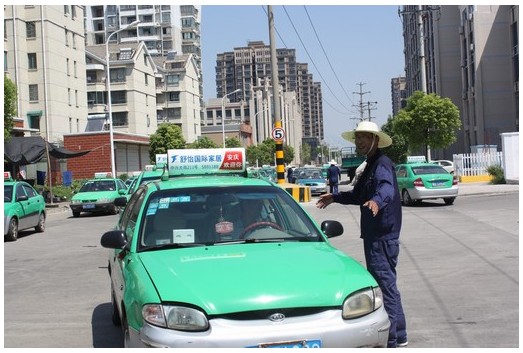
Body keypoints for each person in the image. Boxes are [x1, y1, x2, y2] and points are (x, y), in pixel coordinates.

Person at [316, 121, 407, 348]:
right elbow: (358, 195)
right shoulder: (369, 165)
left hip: (382, 237)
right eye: (357, 138)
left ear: (375, 140)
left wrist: (377, 201)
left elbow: (386, 189)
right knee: (387, 285)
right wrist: (334, 197)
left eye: (364, 137)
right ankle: (401, 334)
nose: (359, 142)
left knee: (385, 287)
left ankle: (392, 339)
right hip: (375, 236)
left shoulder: (382, 164)